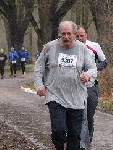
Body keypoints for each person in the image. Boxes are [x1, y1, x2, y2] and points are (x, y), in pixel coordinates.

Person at [34, 21, 97, 150]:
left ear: (75, 34)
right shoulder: (50, 47)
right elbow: (38, 67)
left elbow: (93, 68)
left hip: (76, 97)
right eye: (64, 34)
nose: (66, 37)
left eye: (69, 34)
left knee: (74, 134)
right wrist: (39, 85)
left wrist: (88, 75)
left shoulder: (82, 49)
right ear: (60, 34)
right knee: (59, 130)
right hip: (55, 95)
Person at [76, 26, 107, 150]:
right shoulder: (69, 48)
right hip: (76, 88)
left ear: (86, 35)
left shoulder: (94, 46)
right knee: (79, 116)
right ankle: (81, 144)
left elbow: (104, 62)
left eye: (81, 36)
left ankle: (88, 139)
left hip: (91, 87)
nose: (79, 38)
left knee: (89, 116)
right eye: (77, 36)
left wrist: (92, 69)